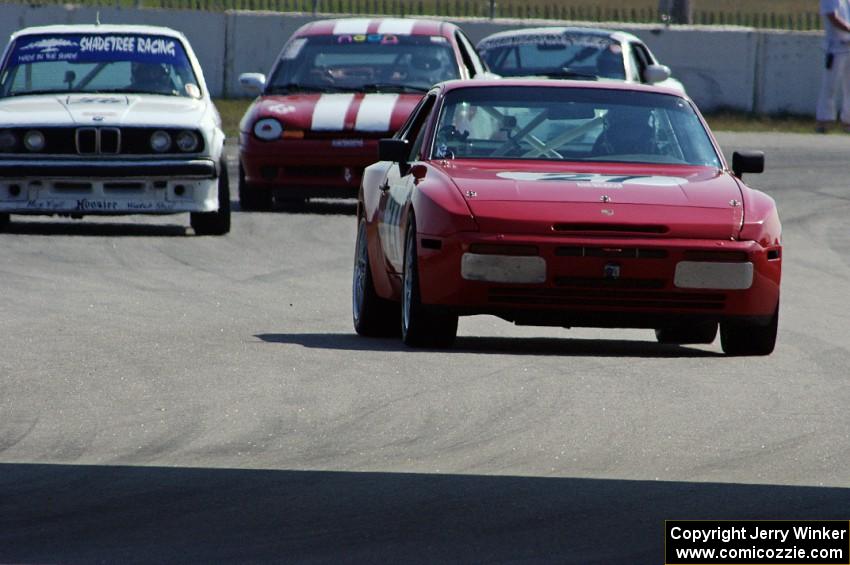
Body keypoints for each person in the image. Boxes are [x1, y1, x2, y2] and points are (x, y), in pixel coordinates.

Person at [816, 0, 850, 132]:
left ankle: (848, 121)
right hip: (836, 47)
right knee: (830, 85)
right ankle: (824, 121)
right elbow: (833, 17)